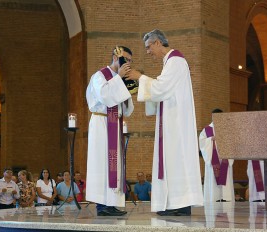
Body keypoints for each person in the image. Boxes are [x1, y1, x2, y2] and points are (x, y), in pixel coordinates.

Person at [127, 29, 203, 216]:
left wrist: (140, 78)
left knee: (175, 160)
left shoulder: (176, 60)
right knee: (171, 160)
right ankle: (173, 203)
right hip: (171, 120)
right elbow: (161, 88)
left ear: (158, 43)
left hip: (176, 122)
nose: (148, 52)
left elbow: (161, 87)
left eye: (148, 47)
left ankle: (180, 204)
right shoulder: (170, 62)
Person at [86, 45, 134, 216]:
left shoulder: (120, 78)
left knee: (115, 164)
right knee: (102, 163)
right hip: (102, 124)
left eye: (129, 61)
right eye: (125, 60)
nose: (127, 63)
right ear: (116, 58)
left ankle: (112, 203)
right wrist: (119, 78)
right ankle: (102, 205)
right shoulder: (99, 76)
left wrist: (127, 87)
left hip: (116, 125)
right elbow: (105, 96)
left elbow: (127, 109)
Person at [199, 109, 235, 203]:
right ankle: (214, 197)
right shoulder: (207, 130)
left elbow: (232, 142)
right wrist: (211, 139)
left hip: (224, 158)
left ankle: (225, 197)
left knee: (225, 174)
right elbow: (202, 142)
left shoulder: (227, 129)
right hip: (213, 158)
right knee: (213, 176)